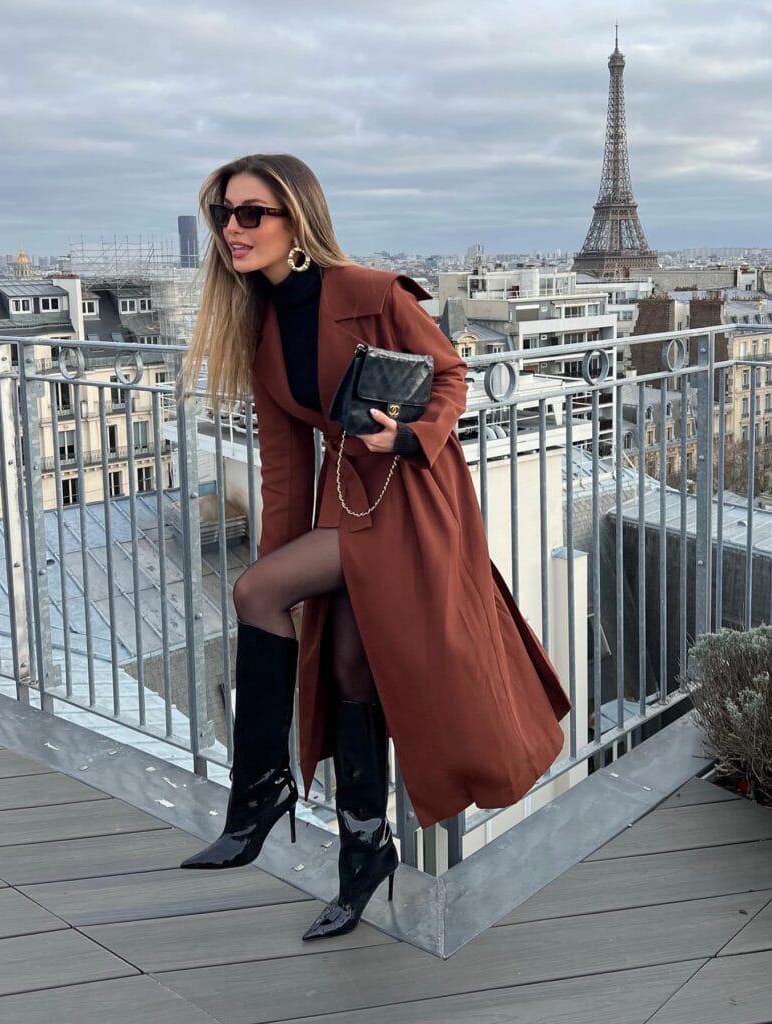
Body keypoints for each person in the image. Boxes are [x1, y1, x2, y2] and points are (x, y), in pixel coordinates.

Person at [179, 153, 570, 941]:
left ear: (297, 220)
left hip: (410, 497)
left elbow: (452, 375)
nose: (232, 229)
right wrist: (284, 561)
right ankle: (365, 855)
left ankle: (259, 793)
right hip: (345, 506)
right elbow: (285, 463)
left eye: (252, 212)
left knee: (254, 596)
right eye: (223, 213)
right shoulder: (258, 334)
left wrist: (408, 437)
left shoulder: (368, 292)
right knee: (345, 664)